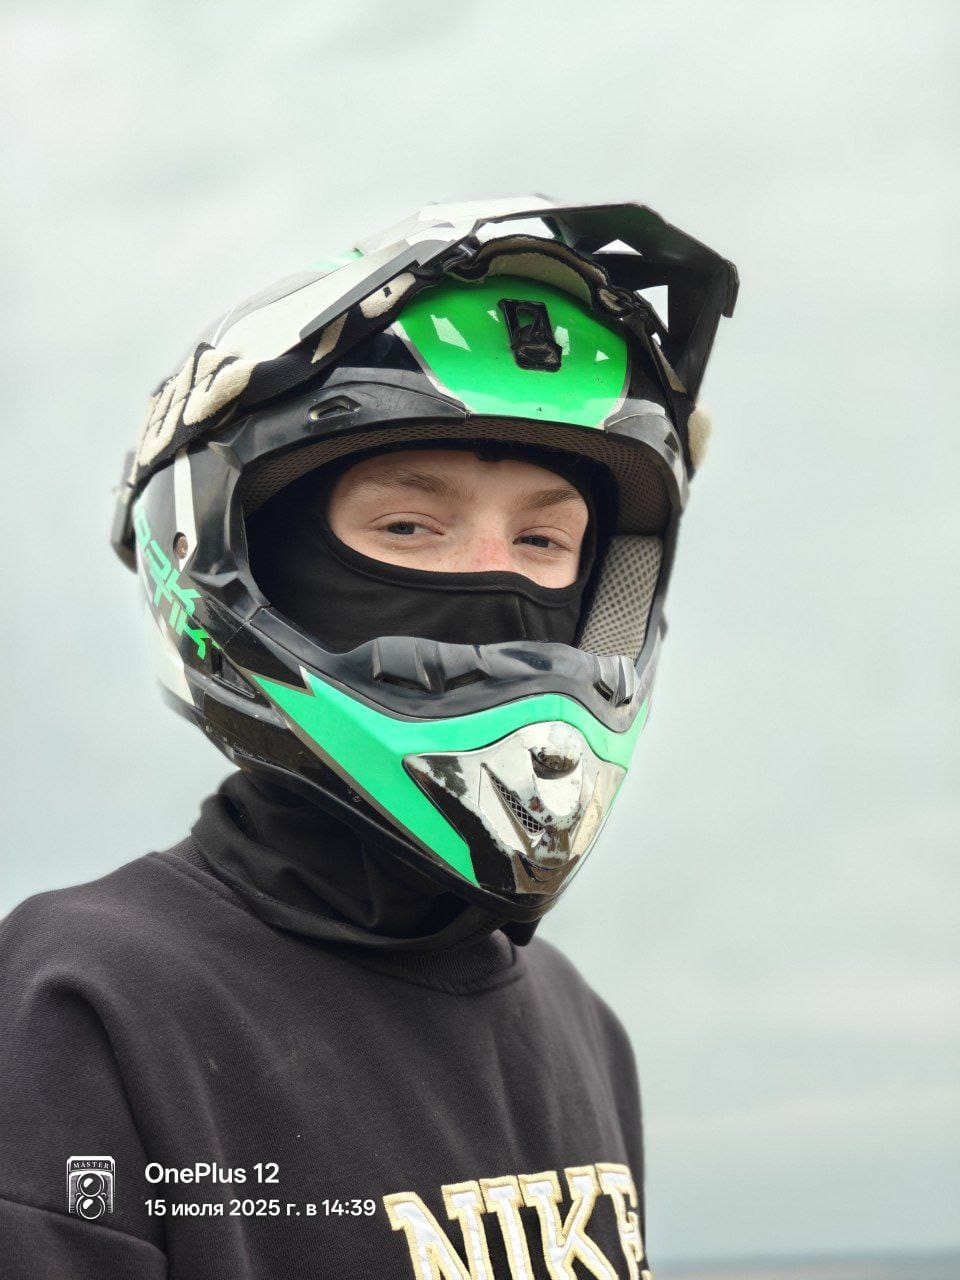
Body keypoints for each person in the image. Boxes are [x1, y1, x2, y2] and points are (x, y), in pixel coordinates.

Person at [0, 198, 737, 1278]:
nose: (494, 583)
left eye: (545, 540)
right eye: (408, 525)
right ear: (242, 559)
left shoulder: (579, 1025)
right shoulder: (82, 1001)